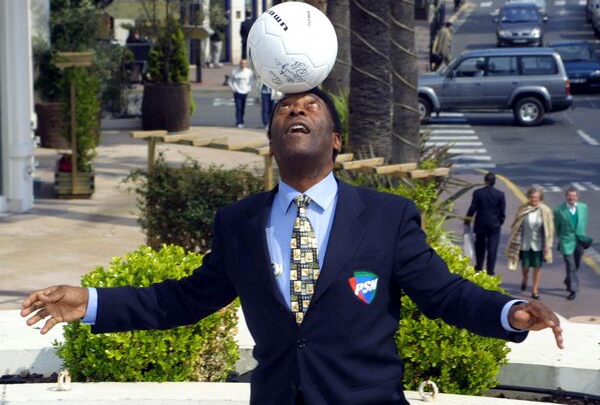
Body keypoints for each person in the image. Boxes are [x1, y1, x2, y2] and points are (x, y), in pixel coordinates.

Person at [21, 88, 564, 405]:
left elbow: (442, 293)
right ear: (273, 138)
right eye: (285, 109)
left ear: (335, 139)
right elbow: (180, 300)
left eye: (310, 107)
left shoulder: (386, 216)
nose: (296, 112)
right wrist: (87, 302)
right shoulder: (238, 222)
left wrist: (511, 311)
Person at [506, 187, 554, 299]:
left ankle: (535, 289)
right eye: (532, 197)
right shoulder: (523, 208)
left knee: (537, 267)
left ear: (540, 198)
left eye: (536, 197)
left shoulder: (545, 210)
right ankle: (525, 278)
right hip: (525, 242)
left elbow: (550, 229)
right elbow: (516, 224)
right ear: (528, 198)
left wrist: (548, 245)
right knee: (526, 266)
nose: (534, 199)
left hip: (538, 244)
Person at [465, 172, 506, 276]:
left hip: (480, 223)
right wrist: (499, 222)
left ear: (485, 181)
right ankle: (490, 270)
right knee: (493, 247)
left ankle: (479, 266)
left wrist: (467, 220)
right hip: (494, 224)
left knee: (480, 246)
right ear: (494, 182)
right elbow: (502, 212)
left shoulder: (477, 193)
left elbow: (473, 208)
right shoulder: (500, 195)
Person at [554, 187, 589, 300]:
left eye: (573, 196)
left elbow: (584, 221)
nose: (571, 198)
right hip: (566, 241)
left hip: (580, 240)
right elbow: (557, 227)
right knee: (571, 265)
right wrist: (563, 238)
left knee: (577, 264)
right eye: (569, 195)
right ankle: (573, 290)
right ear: (566, 196)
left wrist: (581, 234)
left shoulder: (583, 207)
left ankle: (568, 280)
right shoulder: (559, 210)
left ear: (577, 197)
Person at [227, 59, 255, 128]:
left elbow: (252, 81)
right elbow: (230, 81)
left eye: (244, 63)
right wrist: (234, 89)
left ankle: (242, 121)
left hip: (245, 92)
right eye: (241, 63)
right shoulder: (235, 71)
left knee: (242, 108)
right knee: (238, 108)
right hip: (237, 92)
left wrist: (249, 88)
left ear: (246, 64)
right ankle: (238, 122)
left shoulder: (249, 72)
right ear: (239, 64)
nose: (243, 65)